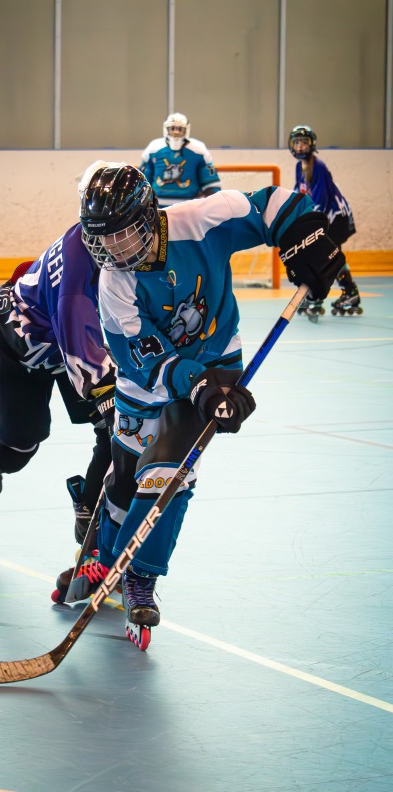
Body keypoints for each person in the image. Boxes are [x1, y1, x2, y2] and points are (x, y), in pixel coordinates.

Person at [56, 162, 344, 648]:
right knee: (124, 481)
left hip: (216, 361)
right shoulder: (114, 284)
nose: (114, 250)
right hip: (149, 382)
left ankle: (140, 576)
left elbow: (272, 204)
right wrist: (197, 386)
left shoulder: (202, 219)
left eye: (122, 235)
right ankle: (103, 556)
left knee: (168, 472)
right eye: (102, 240)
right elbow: (149, 361)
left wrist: (308, 236)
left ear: (148, 217)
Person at [0, 220, 116, 544]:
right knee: (16, 451)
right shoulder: (75, 288)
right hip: (22, 343)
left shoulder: (120, 245)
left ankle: (90, 516)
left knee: (116, 431)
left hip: (71, 338)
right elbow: (84, 354)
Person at [288, 124, 362, 320]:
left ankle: (328, 295)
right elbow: (299, 195)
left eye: (304, 143)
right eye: (297, 143)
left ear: (311, 144)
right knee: (327, 257)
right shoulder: (299, 167)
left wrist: (310, 225)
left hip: (335, 217)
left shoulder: (318, 167)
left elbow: (321, 201)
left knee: (326, 257)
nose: (300, 147)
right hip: (326, 216)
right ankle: (347, 293)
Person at [139, 112, 221, 206]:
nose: (176, 132)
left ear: (187, 130)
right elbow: (142, 180)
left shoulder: (199, 151)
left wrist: (213, 204)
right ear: (166, 129)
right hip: (157, 205)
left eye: (180, 129)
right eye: (172, 128)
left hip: (190, 205)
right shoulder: (153, 149)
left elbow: (211, 182)